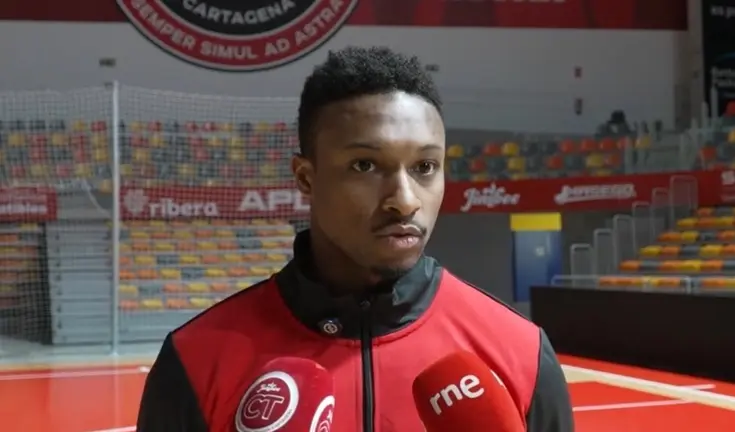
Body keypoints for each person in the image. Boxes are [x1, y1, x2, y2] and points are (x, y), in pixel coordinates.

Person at [137, 46, 574, 431]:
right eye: (365, 166)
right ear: (305, 178)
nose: (405, 201)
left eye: (425, 167)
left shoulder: (521, 352)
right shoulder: (195, 361)